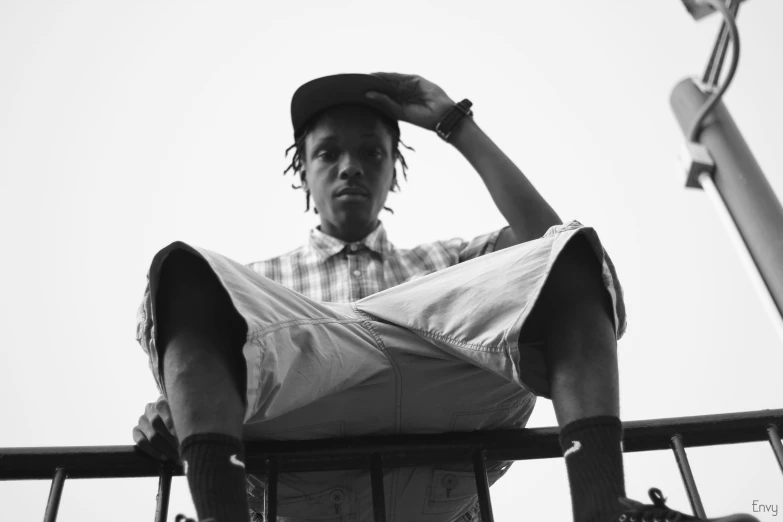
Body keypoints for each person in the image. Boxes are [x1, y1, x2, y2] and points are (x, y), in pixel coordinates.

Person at [133, 73, 759, 522]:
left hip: (442, 445)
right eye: (328, 153)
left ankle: (603, 508)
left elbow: (552, 249)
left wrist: (455, 125)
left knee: (570, 253)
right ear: (302, 170)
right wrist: (171, 408)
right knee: (184, 272)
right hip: (300, 470)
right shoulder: (254, 287)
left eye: (371, 153)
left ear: (392, 172)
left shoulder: (446, 263)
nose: (350, 166)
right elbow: (203, 356)